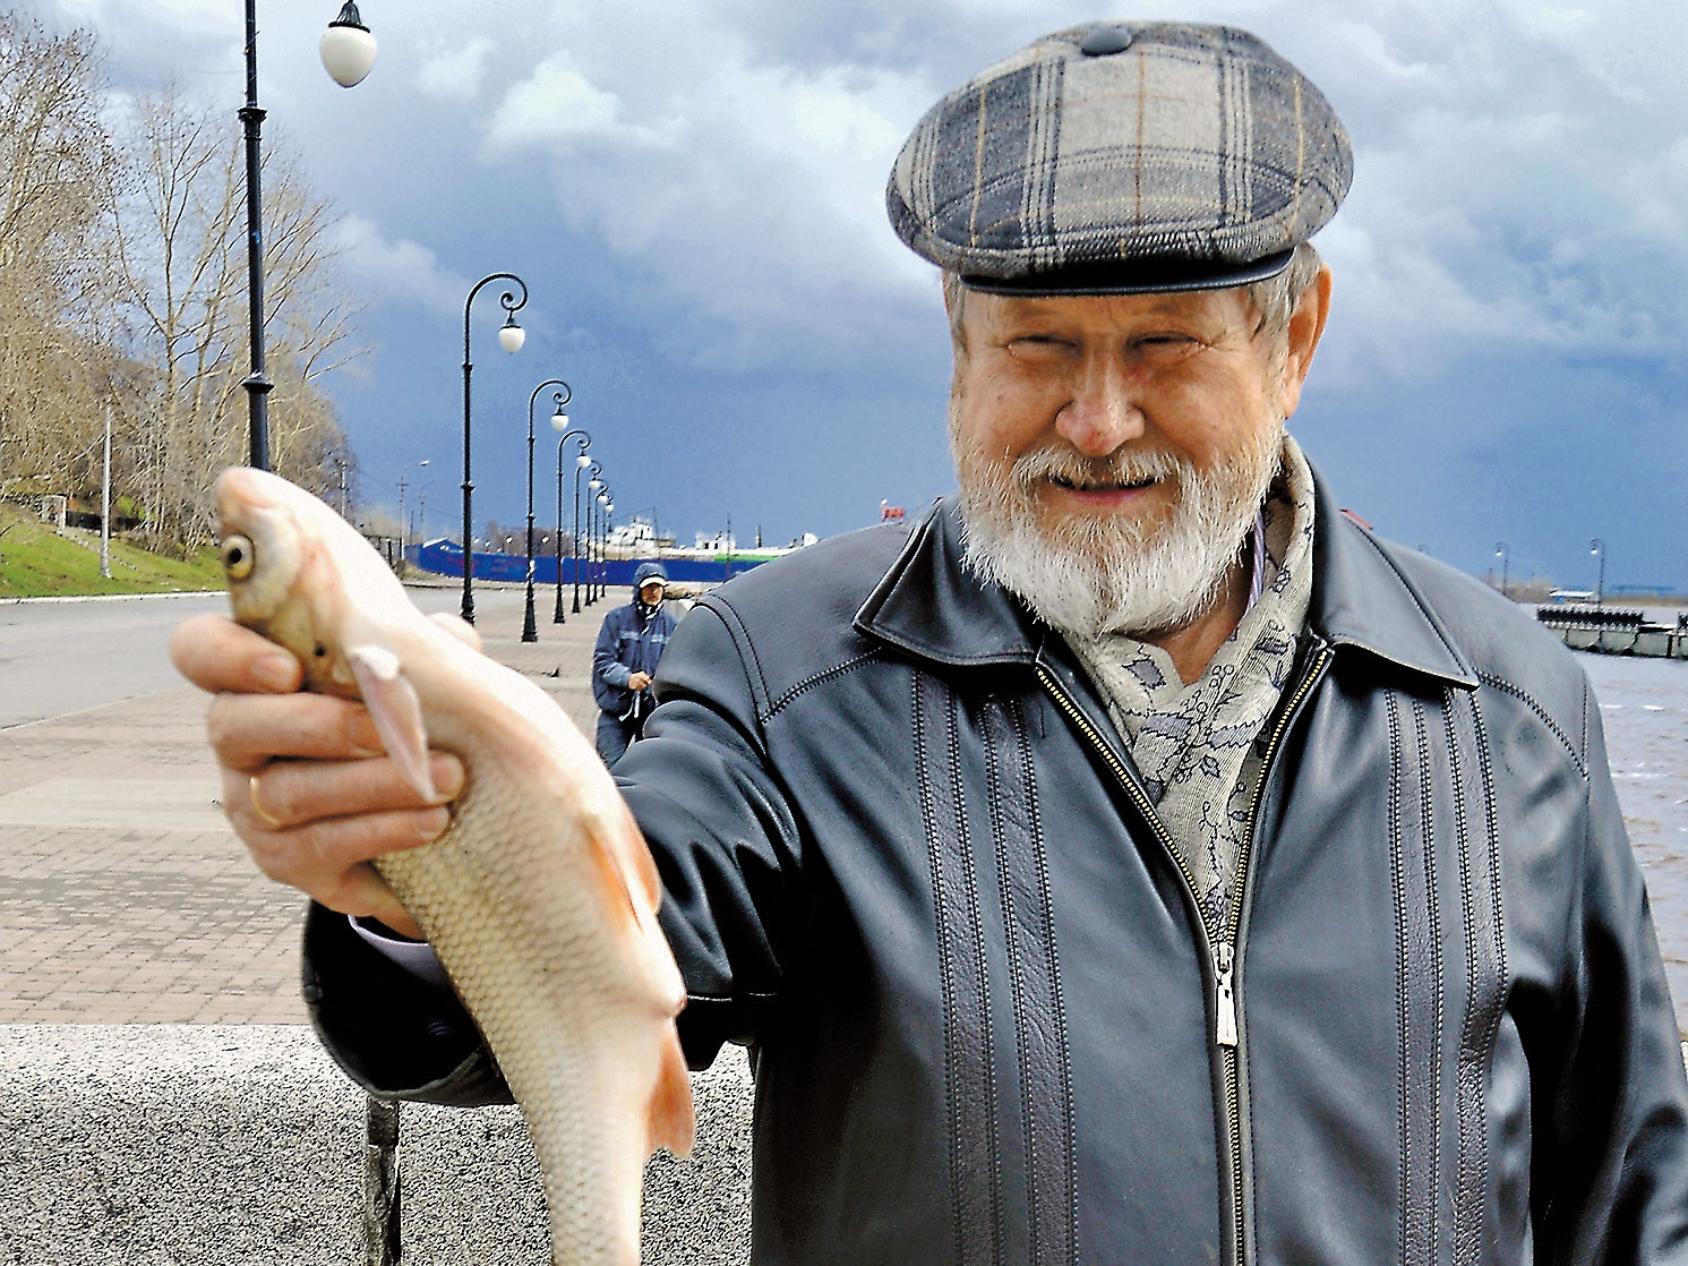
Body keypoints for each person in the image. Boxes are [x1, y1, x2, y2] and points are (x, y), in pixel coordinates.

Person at [172, 21, 1688, 1263]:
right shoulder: (779, 684)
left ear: (1295, 340)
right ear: (957, 349)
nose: (1098, 422)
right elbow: (599, 951)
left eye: (1164, 344)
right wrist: (412, 880)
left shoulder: (1511, 711)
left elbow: (1637, 1196)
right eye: (1037, 350)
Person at [590, 560, 677, 763]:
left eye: (658, 587)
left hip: (651, 711)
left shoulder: (671, 625)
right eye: (649, 587)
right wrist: (628, 679)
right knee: (609, 767)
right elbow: (603, 661)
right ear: (638, 588)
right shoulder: (616, 619)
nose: (654, 592)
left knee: (649, 770)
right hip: (616, 707)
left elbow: (675, 667)